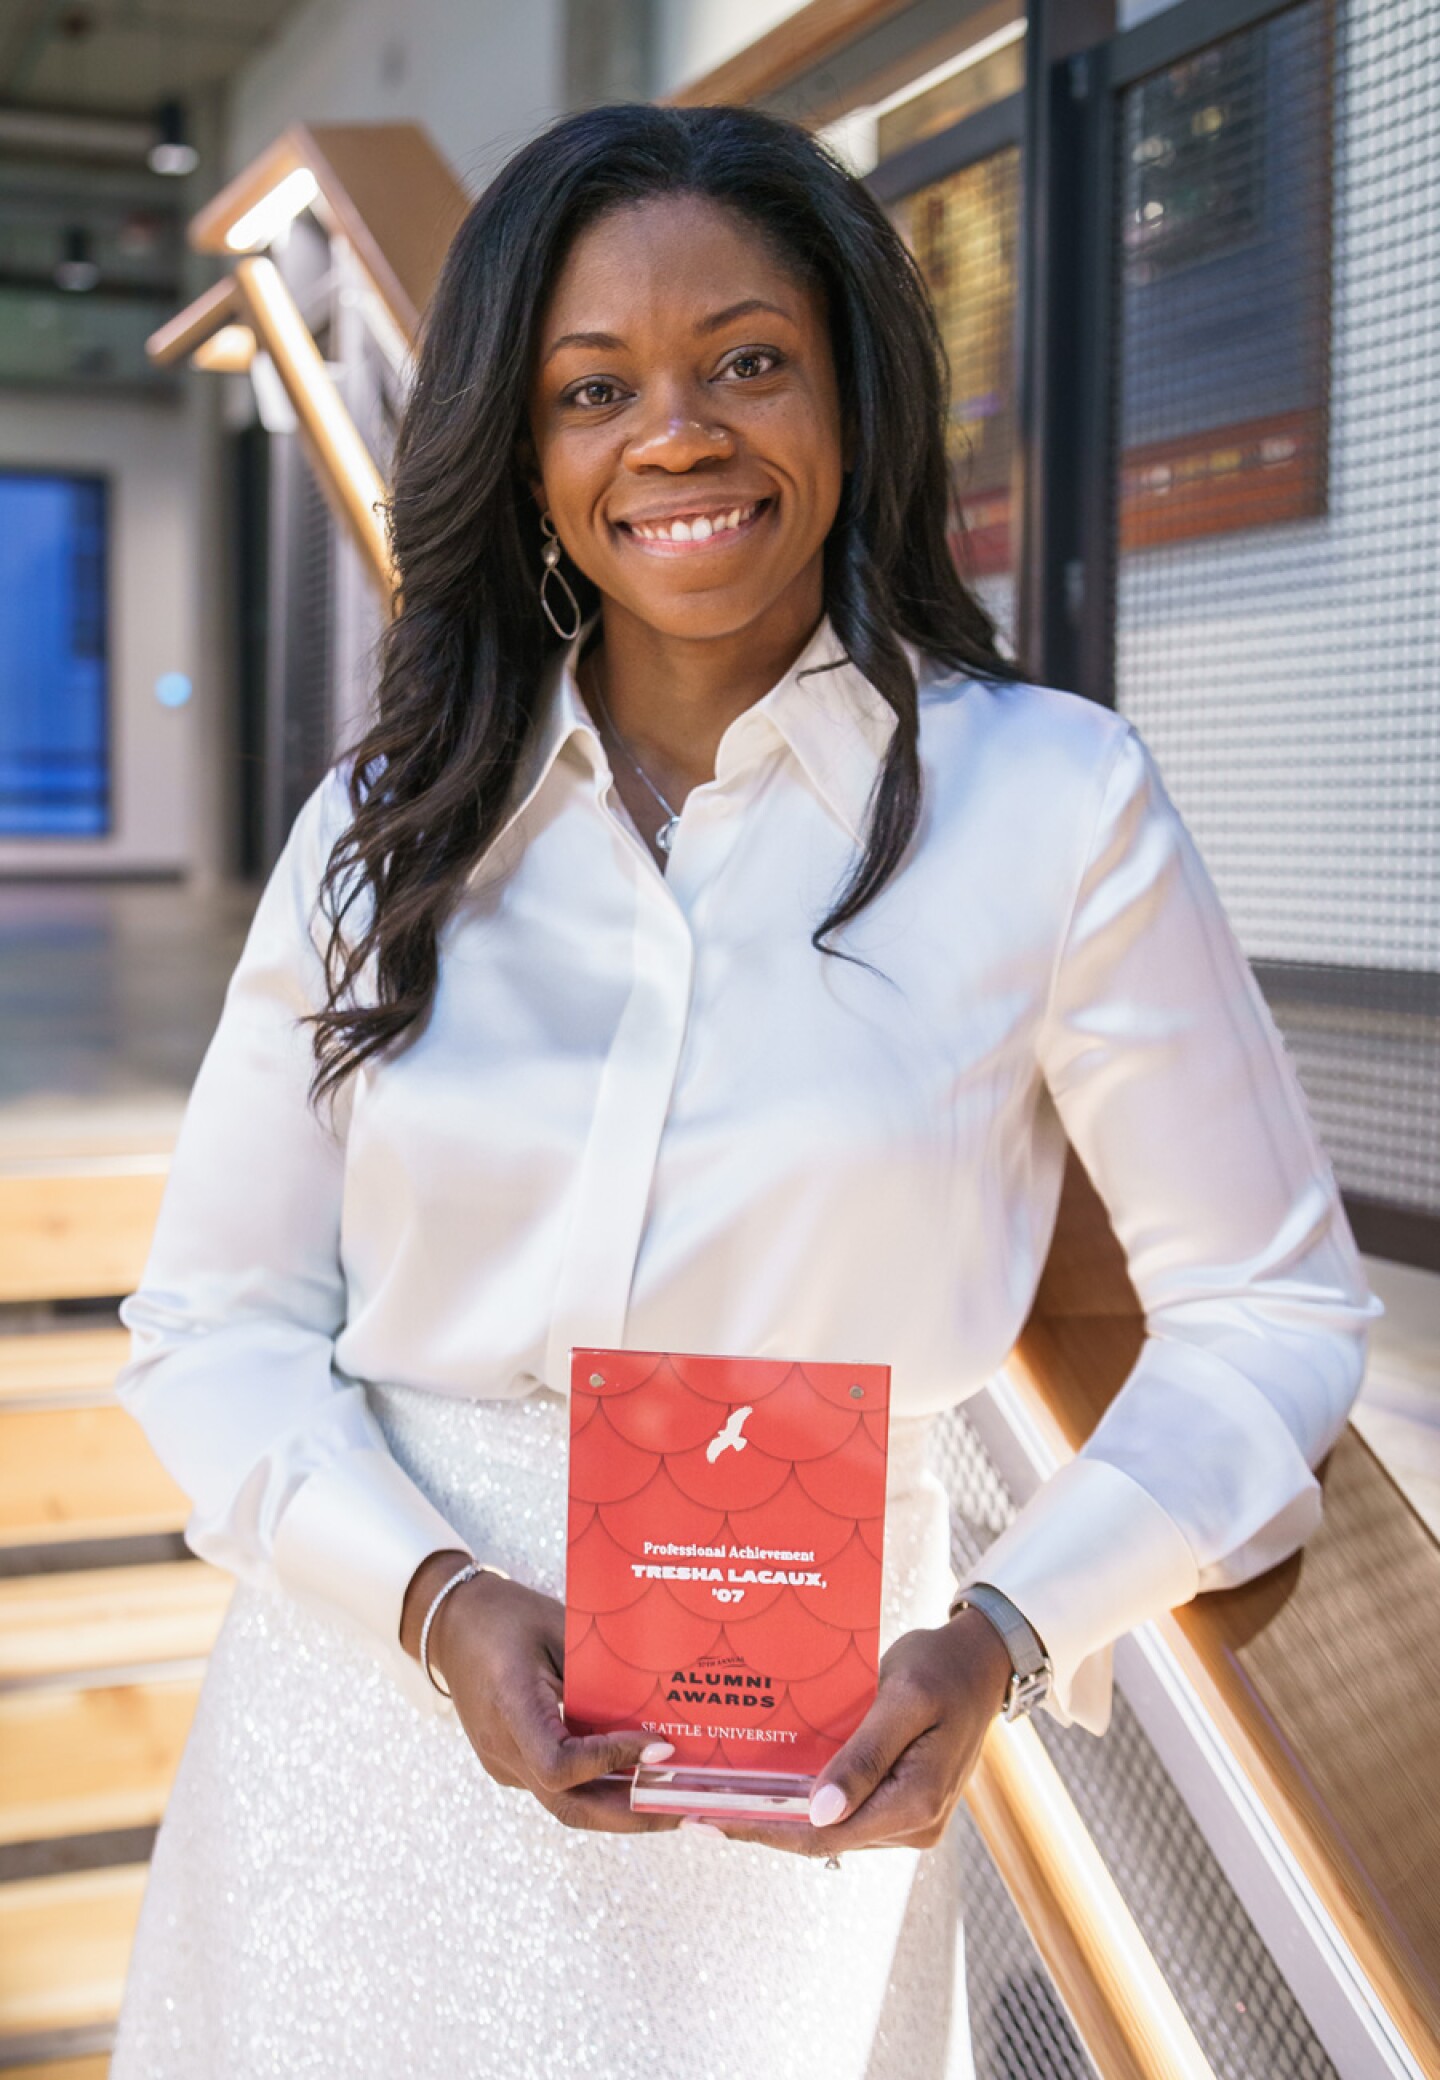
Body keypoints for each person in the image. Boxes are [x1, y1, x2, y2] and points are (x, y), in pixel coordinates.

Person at [109, 101, 1382, 2080]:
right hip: (366, 1707)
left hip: (804, 1759)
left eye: (748, 362)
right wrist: (435, 1603)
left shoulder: (1051, 809)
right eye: (592, 386)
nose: (678, 433)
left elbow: (1275, 1311)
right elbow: (212, 1320)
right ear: (524, 460)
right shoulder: (383, 833)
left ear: (856, 399)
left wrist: (1006, 1637)